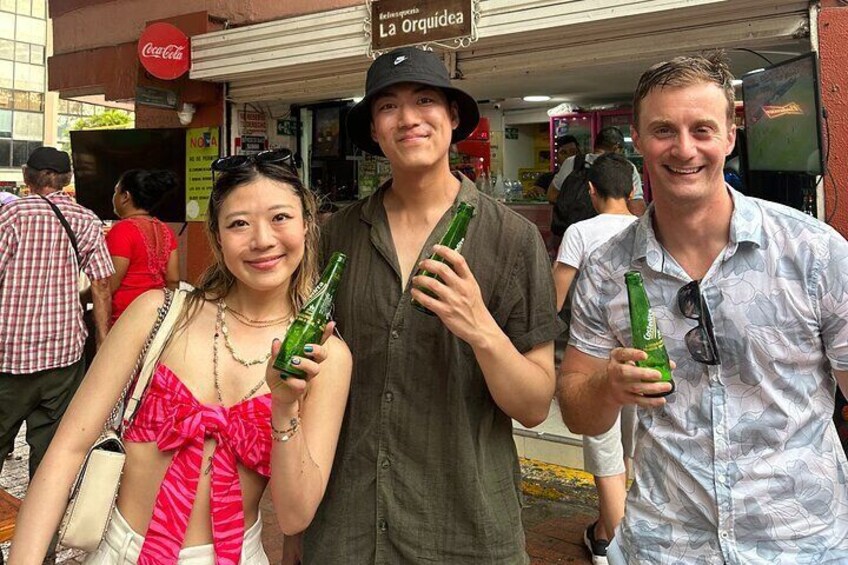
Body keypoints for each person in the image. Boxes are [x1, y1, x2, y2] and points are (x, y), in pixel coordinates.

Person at [557, 52, 848, 564]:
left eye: (702, 130)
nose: (684, 148)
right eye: (665, 130)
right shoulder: (606, 269)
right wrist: (607, 385)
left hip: (802, 543)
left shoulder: (814, 252)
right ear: (639, 139)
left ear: (731, 136)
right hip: (665, 545)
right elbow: (577, 410)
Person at [287, 46, 563, 564]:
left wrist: (479, 327)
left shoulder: (513, 240)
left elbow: (532, 406)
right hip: (347, 527)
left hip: (465, 530)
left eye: (424, 100)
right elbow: (305, 383)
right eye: (388, 106)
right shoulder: (336, 236)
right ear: (373, 128)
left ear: (452, 116)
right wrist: (294, 529)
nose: (408, 118)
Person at [9, 154, 352, 564]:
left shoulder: (326, 357)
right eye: (239, 222)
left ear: (307, 226)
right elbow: (66, 450)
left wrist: (284, 408)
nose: (262, 239)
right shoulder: (157, 313)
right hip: (122, 551)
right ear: (218, 235)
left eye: (280, 217)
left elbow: (295, 517)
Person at [0, 147, 113, 482]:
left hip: (8, 356)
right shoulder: (87, 219)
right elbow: (102, 284)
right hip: (64, 355)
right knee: (51, 452)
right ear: (67, 179)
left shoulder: (12, 216)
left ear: (26, 175)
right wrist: (104, 341)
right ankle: (42, 527)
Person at [552, 152, 637, 564]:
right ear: (633, 190)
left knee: (605, 452)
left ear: (590, 190)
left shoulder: (580, 232)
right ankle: (603, 529)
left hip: (596, 358)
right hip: (645, 357)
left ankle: (613, 547)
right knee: (631, 452)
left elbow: (556, 295)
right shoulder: (647, 229)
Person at [107, 168, 180, 326]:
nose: (113, 197)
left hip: (125, 318)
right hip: (157, 317)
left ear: (125, 197)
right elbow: (173, 280)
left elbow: (109, 285)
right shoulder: (166, 230)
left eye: (116, 192)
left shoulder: (122, 230)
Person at [547, 127, 646, 216]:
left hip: (571, 226)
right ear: (616, 148)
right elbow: (636, 208)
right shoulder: (626, 167)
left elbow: (552, 195)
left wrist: (575, 209)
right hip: (612, 232)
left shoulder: (572, 162)